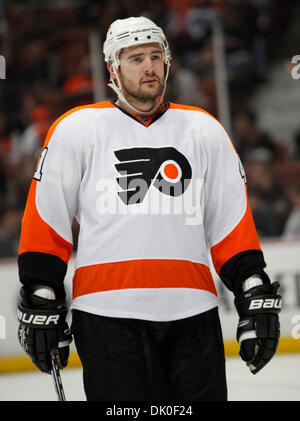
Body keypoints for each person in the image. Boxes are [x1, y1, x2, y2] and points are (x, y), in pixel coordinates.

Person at [17, 16, 281, 402]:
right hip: (107, 318)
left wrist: (251, 288)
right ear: (113, 68)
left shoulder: (204, 130)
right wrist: (41, 291)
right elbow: (47, 220)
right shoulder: (77, 129)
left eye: (156, 56)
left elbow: (230, 224)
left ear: (168, 62)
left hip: (193, 313)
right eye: (136, 58)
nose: (149, 67)